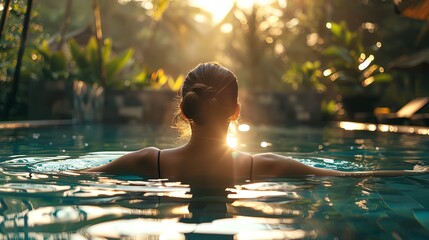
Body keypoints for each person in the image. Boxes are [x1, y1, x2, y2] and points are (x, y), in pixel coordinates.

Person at [86, 62, 428, 188]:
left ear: (186, 111)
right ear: (236, 112)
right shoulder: (264, 166)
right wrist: (418, 171)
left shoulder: (149, 161)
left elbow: (70, 176)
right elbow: (349, 178)